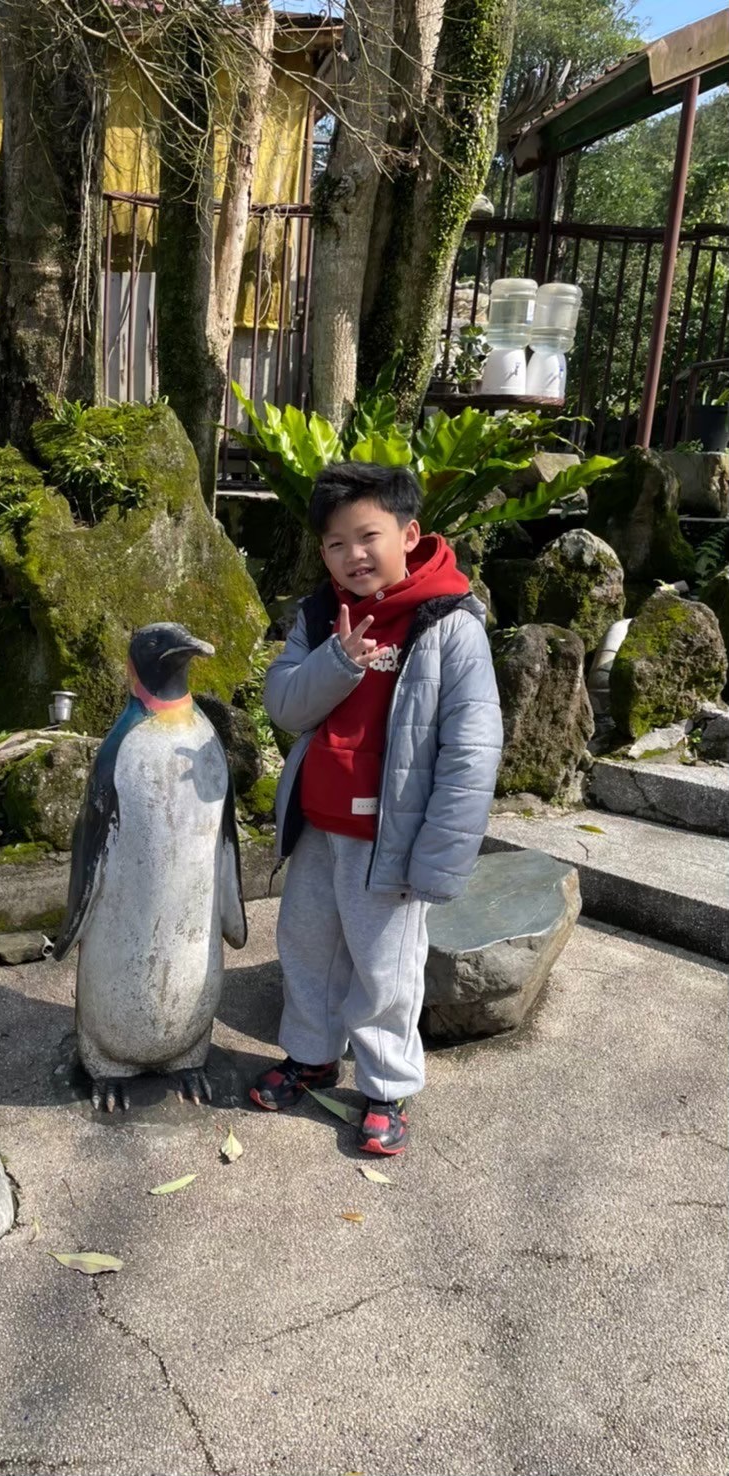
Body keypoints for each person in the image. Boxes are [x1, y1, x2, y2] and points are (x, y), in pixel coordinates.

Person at [248, 461, 502, 1154]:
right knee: (306, 948)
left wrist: (440, 859)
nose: (353, 556)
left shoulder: (448, 622)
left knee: (385, 967)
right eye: (336, 543)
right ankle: (311, 1056)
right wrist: (339, 659)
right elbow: (284, 704)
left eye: (369, 537)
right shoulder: (319, 615)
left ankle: (387, 1086)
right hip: (318, 827)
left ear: (409, 533)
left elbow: (472, 750)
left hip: (389, 840)